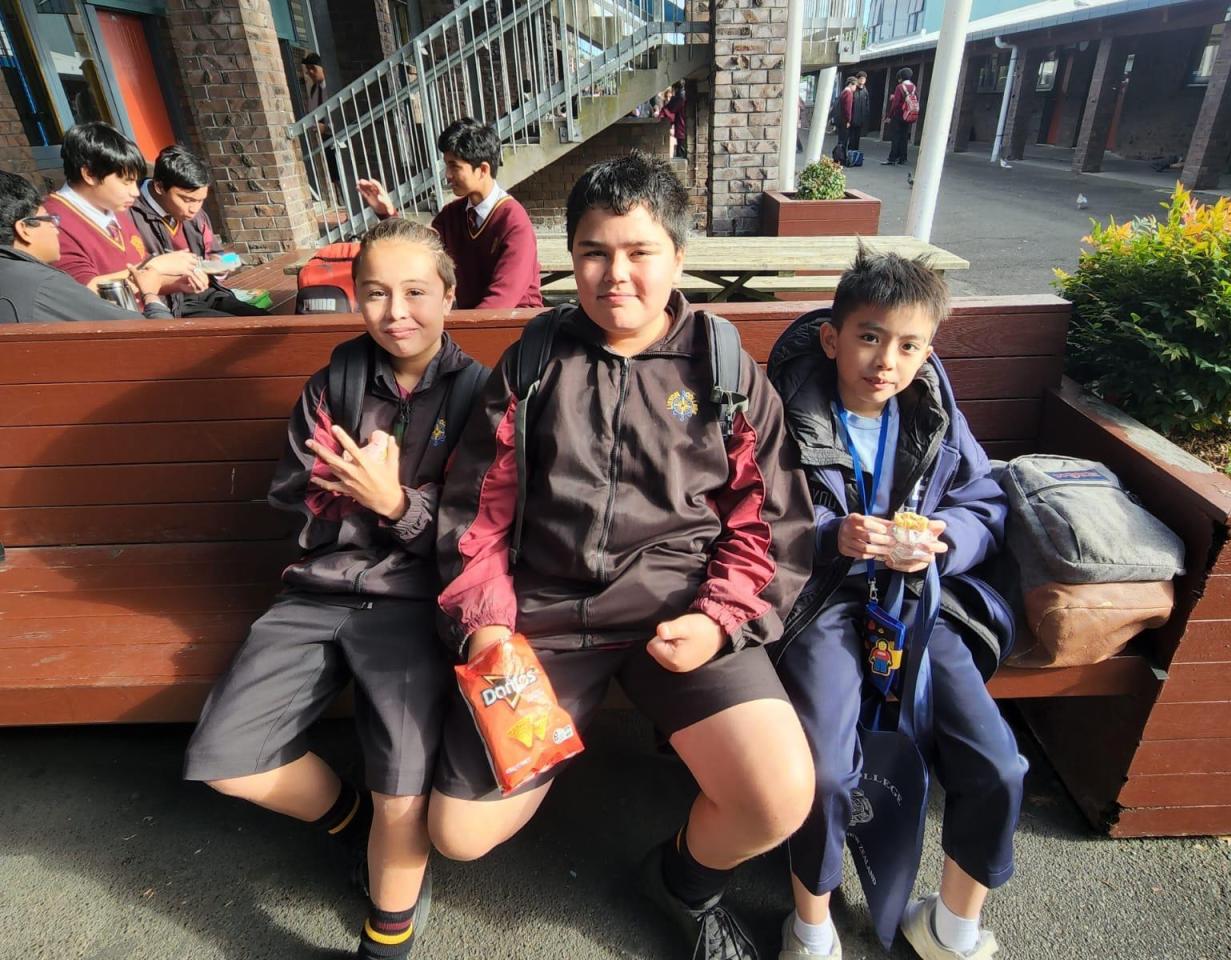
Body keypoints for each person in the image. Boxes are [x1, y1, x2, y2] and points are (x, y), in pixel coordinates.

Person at [429, 152, 817, 960]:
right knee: (458, 833)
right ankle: (560, 739)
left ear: (678, 255)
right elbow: (476, 514)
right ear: (571, 256)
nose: (616, 275)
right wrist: (487, 626)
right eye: (594, 253)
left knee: (778, 797)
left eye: (640, 252)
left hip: (679, 612)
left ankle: (682, 879)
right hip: (546, 618)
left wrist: (718, 621)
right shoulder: (536, 362)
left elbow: (768, 521)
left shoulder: (722, 368)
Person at [183, 217, 484, 960]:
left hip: (416, 603)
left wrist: (395, 502)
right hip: (320, 590)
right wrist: (374, 499)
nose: (395, 312)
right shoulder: (335, 383)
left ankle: (387, 940)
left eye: (416, 292)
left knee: (404, 793)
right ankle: (350, 820)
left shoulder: (482, 395)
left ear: (450, 294)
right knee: (226, 757)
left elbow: (477, 529)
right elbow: (297, 489)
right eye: (375, 293)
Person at [767, 250, 1026, 960]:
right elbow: (754, 515)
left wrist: (943, 539)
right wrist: (831, 535)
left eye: (910, 346)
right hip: (821, 603)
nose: (887, 361)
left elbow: (984, 502)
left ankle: (951, 926)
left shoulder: (935, 415)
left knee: (999, 764)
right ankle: (812, 926)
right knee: (823, 769)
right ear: (832, 338)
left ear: (927, 352)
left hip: (916, 604)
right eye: (870, 337)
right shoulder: (784, 410)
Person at [357, 118, 542, 310]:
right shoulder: (452, 214)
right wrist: (387, 214)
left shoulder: (513, 221)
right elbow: (418, 249)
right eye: (447, 165)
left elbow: (503, 298)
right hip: (476, 319)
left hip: (515, 322)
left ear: (483, 170)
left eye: (454, 166)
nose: (447, 175)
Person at [42, 122, 202, 310]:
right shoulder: (53, 222)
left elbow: (140, 276)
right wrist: (156, 266)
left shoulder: (112, 208)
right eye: (127, 182)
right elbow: (83, 293)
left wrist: (177, 282)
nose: (135, 192)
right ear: (89, 174)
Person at [0, 169, 172, 322]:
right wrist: (150, 295)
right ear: (24, 229)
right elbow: (155, 335)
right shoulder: (46, 286)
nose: (56, 228)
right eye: (49, 218)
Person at [129, 144, 270, 317]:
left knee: (265, 320)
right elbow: (134, 274)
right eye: (187, 200)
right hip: (167, 304)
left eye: (200, 200)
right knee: (240, 328)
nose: (194, 209)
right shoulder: (128, 213)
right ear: (159, 187)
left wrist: (218, 264)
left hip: (205, 292)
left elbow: (214, 253)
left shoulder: (197, 215)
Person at [302, 52, 342, 187]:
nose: (310, 72)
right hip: (324, 139)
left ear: (323, 68)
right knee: (334, 176)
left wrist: (327, 128)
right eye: (308, 69)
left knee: (343, 172)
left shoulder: (333, 87)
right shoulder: (314, 90)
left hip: (337, 136)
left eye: (313, 68)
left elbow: (341, 113)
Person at [884, 67, 917, 165]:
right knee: (904, 136)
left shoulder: (900, 87)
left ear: (902, 76)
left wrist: (889, 116)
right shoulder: (913, 87)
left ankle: (892, 158)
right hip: (908, 114)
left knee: (896, 136)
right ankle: (903, 157)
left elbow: (895, 104)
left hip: (899, 115)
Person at [659, 79, 688, 158]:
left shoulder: (679, 97)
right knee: (682, 151)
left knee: (681, 153)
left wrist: (663, 111)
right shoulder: (683, 95)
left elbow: (671, 109)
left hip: (681, 127)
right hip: (683, 126)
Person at [835, 76, 856, 160]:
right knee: (844, 140)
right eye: (855, 85)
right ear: (851, 84)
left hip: (840, 119)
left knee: (840, 139)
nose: (855, 88)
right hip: (844, 120)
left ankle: (838, 157)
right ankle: (841, 157)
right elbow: (848, 108)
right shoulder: (848, 93)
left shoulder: (843, 92)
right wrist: (848, 120)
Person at [850, 72, 870, 153]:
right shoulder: (853, 90)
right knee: (851, 138)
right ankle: (850, 153)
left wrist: (865, 116)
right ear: (857, 79)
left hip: (861, 119)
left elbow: (867, 104)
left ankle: (855, 154)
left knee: (857, 138)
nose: (862, 80)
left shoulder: (865, 91)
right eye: (861, 78)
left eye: (864, 79)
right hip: (852, 118)